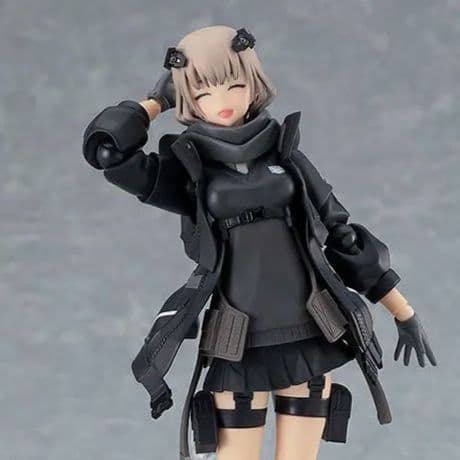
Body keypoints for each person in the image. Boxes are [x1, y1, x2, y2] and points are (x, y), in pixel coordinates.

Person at [82, 25, 437, 460]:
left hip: (310, 328)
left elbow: (343, 236)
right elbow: (108, 154)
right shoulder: (189, 169)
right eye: (203, 91)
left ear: (253, 83)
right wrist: (155, 101)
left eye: (234, 84)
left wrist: (403, 311)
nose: (222, 100)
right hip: (237, 340)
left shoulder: (284, 154)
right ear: (188, 98)